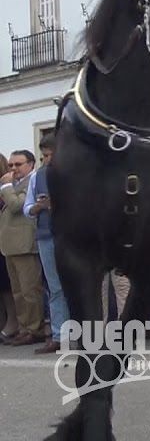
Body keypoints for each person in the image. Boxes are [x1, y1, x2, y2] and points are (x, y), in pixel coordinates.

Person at [22, 136, 66, 354]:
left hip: (70, 236)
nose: (47, 160)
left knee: (77, 285)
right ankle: (59, 336)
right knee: (55, 288)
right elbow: (26, 208)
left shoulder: (73, 173)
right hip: (46, 236)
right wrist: (38, 208)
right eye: (44, 156)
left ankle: (85, 335)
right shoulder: (37, 177)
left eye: (51, 155)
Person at [0, 150, 44, 345]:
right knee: (18, 292)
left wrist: (7, 186)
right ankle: (24, 327)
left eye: (18, 164)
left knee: (29, 290)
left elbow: (18, 205)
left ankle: (35, 329)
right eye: (10, 165)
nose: (13, 169)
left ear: (31, 164)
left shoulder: (30, 182)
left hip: (26, 244)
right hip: (10, 245)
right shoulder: (14, 185)